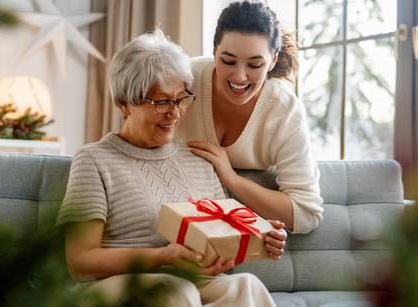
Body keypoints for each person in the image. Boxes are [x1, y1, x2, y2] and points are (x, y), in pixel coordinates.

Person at [56, 30, 277, 306]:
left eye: (181, 98)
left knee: (246, 286)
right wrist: (161, 257)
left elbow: (219, 241)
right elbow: (80, 262)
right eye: (161, 102)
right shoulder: (94, 160)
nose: (174, 112)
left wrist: (258, 234)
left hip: (190, 282)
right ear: (125, 103)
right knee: (174, 290)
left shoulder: (199, 159)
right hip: (118, 287)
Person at [176, 0, 324, 235]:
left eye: (255, 64)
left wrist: (232, 179)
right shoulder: (184, 79)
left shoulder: (283, 109)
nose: (240, 77)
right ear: (214, 52)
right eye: (228, 61)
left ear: (273, 60)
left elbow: (306, 213)